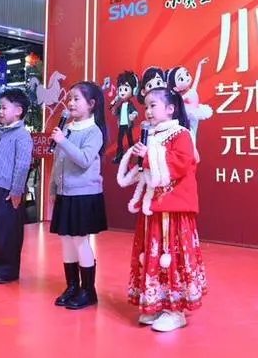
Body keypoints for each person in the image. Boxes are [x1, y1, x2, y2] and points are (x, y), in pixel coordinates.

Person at [119, 87, 207, 332]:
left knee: (171, 254)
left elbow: (179, 164)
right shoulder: (151, 134)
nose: (148, 111)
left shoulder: (182, 134)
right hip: (154, 207)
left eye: (153, 105)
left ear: (170, 109)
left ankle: (175, 310)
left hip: (173, 208)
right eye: (146, 106)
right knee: (154, 253)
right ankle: (157, 303)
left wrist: (149, 156)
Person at [49, 81, 108, 310]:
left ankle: (88, 290)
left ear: (91, 104)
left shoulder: (94, 132)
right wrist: (53, 189)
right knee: (66, 240)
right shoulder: (66, 128)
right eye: (69, 99)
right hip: (65, 192)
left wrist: (63, 141)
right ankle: (72, 286)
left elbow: (84, 159)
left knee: (80, 240)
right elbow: (58, 161)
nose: (70, 103)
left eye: (76, 99)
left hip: (84, 194)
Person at [0, 89, 33, 284]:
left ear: (18, 111)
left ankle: (6, 270)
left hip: (9, 190)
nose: (0, 112)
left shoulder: (22, 136)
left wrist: (16, 191)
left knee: (7, 231)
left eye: (4, 108)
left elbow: (22, 165)